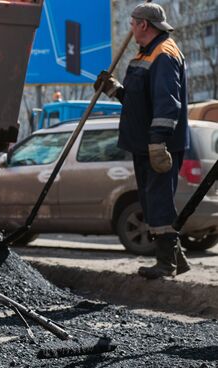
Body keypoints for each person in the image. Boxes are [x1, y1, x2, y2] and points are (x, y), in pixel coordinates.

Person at [95, 3, 190, 279]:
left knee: (158, 201)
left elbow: (167, 104)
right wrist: (113, 88)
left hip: (159, 146)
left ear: (144, 25)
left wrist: (158, 142)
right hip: (143, 143)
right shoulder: (144, 54)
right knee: (150, 202)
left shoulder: (165, 54)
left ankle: (166, 264)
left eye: (132, 24)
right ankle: (177, 259)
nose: (131, 29)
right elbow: (138, 101)